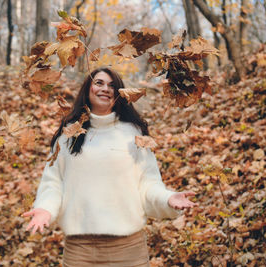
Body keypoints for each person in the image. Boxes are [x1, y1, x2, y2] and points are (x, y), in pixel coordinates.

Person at [22, 67, 197, 266]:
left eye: (112, 85)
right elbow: (53, 184)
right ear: (88, 88)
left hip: (128, 250)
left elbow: (148, 185)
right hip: (80, 252)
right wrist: (45, 208)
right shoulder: (68, 135)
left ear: (119, 93)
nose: (105, 88)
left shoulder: (134, 134)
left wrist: (168, 198)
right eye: (99, 83)